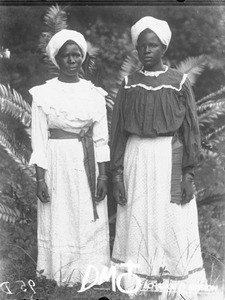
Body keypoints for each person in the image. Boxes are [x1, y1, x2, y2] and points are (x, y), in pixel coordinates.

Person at [110, 17, 206, 299]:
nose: (147, 50)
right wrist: (116, 174)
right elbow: (117, 132)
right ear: (136, 50)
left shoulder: (179, 82)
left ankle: (172, 278)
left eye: (153, 45)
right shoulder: (129, 83)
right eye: (142, 46)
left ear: (164, 47)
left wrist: (188, 173)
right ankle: (138, 277)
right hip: (136, 156)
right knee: (138, 212)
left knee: (170, 215)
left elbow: (190, 128)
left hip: (169, 157)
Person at [29, 29, 110, 286]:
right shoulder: (44, 94)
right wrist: (40, 179)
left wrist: (103, 175)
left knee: (87, 213)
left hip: (87, 160)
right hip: (57, 162)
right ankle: (59, 273)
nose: (72, 60)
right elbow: (39, 140)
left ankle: (89, 273)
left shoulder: (94, 93)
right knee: (60, 213)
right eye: (67, 56)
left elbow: (101, 139)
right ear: (57, 59)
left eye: (77, 55)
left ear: (83, 58)